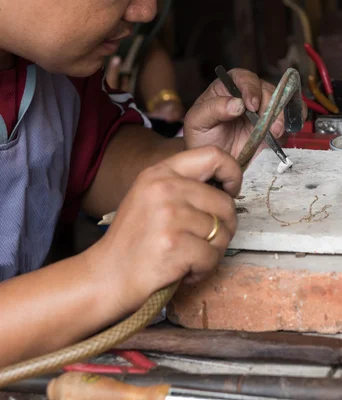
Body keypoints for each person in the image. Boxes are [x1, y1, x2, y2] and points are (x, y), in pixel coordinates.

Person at [0, 0, 305, 368]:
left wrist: (195, 158)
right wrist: (103, 276)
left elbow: (87, 157)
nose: (144, 12)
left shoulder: (54, 70)